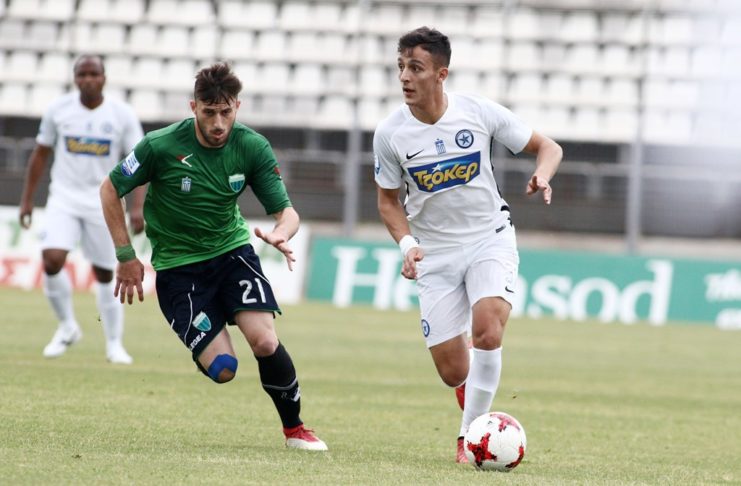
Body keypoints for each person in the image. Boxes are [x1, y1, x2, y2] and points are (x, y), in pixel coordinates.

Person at [99, 62, 327, 451]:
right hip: (179, 268)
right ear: (194, 107)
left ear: (237, 106)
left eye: (226, 112)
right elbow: (110, 188)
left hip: (231, 253)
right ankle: (206, 336)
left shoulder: (251, 146)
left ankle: (295, 430)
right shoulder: (160, 146)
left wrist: (281, 233)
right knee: (224, 369)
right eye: (209, 112)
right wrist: (125, 254)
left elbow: (287, 213)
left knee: (265, 341)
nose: (219, 123)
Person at [374, 27, 563, 463]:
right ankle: (474, 383)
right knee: (453, 370)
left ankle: (469, 438)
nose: (405, 77)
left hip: (488, 238)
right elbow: (387, 201)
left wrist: (543, 174)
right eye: (401, 67)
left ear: (441, 74)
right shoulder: (390, 133)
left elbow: (549, 148)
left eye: (415, 68)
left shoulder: (478, 112)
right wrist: (406, 245)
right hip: (434, 253)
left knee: (488, 329)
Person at [19, 54, 144, 364]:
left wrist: (138, 207)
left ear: (104, 78)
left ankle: (114, 344)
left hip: (104, 199)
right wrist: (27, 199)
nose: (88, 79)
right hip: (64, 196)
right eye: (82, 74)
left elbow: (141, 161)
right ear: (75, 79)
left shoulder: (122, 114)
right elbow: (40, 155)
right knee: (51, 259)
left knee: (105, 272)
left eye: (94, 74)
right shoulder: (58, 110)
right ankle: (67, 327)